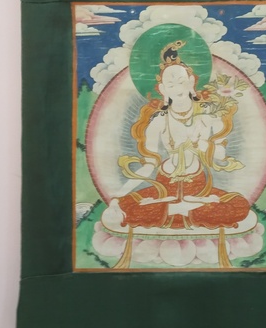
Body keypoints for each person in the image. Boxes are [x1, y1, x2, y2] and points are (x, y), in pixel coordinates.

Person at [106, 41, 250, 231]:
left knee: (240, 206)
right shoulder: (158, 121)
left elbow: (221, 155)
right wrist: (118, 196)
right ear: (163, 90)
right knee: (124, 207)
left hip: (198, 188)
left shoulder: (208, 114)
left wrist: (202, 144)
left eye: (182, 82)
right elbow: (148, 166)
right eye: (171, 84)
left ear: (191, 82)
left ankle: (174, 210)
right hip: (164, 188)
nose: (177, 88)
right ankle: (183, 209)